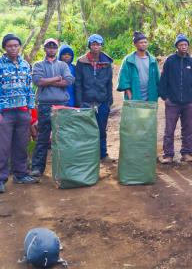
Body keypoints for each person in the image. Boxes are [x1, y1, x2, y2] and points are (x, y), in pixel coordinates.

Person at [30, 38, 75, 177]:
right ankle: (37, 168)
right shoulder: (38, 65)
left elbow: (68, 81)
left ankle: (64, 168)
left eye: (54, 47)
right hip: (44, 105)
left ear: (56, 49)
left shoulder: (63, 65)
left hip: (62, 104)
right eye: (48, 47)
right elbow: (38, 81)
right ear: (44, 49)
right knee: (43, 137)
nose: (51, 49)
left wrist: (47, 81)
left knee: (63, 137)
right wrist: (56, 79)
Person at [0, 33, 37, 193]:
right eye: (9, 46)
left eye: (16, 45)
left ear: (19, 47)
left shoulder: (25, 65)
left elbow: (29, 89)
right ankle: (1, 179)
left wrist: (30, 111)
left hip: (23, 112)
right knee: (3, 147)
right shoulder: (0, 64)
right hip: (5, 113)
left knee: (21, 145)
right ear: (4, 48)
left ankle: (20, 175)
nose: (13, 48)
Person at [158, 34, 192, 164]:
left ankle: (186, 153)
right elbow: (163, 80)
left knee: (188, 129)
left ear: (188, 46)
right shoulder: (170, 61)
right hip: (173, 102)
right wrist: (165, 97)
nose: (183, 47)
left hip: (188, 102)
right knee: (169, 129)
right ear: (177, 46)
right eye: (181, 45)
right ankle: (168, 154)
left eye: (185, 45)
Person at [75, 34, 114, 162]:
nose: (96, 47)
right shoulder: (82, 62)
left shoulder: (107, 62)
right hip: (86, 102)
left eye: (98, 44)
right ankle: (88, 156)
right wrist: (80, 102)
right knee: (87, 130)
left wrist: (109, 101)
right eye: (93, 44)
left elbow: (109, 83)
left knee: (102, 129)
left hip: (102, 101)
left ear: (101, 46)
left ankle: (103, 154)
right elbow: (78, 83)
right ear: (89, 46)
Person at [117, 31, 160, 102]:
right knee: (134, 113)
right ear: (135, 44)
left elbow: (157, 78)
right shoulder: (128, 60)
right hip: (134, 96)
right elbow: (124, 78)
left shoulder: (152, 60)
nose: (144, 44)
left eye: (145, 42)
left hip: (150, 97)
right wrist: (130, 96)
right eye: (141, 42)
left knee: (148, 113)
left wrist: (156, 94)